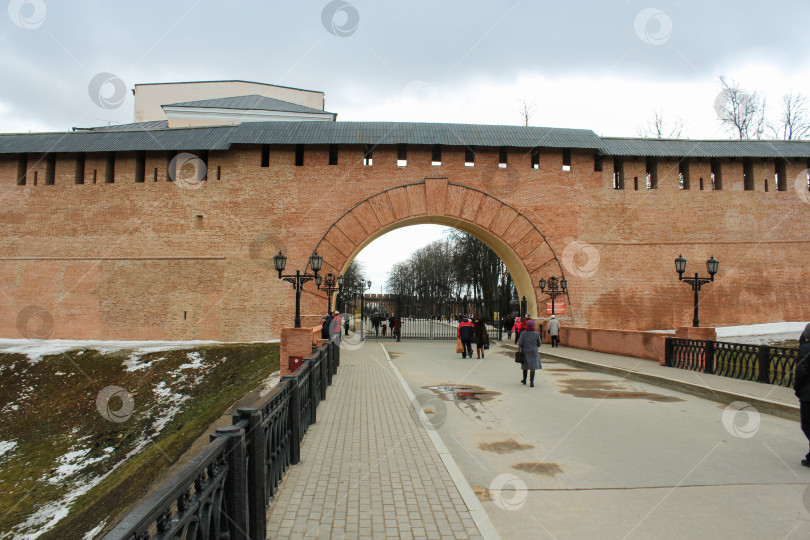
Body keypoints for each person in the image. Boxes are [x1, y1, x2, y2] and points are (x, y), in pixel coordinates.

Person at [795, 323, 810, 467]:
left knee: (807, 425)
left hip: (808, 395)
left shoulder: (805, 349)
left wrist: (797, 388)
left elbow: (801, 372)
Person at [517, 319, 542, 387]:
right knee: (532, 367)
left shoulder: (523, 333)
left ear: (526, 326)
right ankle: (532, 382)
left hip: (525, 351)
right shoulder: (536, 334)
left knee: (525, 366)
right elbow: (539, 344)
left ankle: (524, 380)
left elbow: (520, 343)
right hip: (534, 351)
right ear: (533, 326)